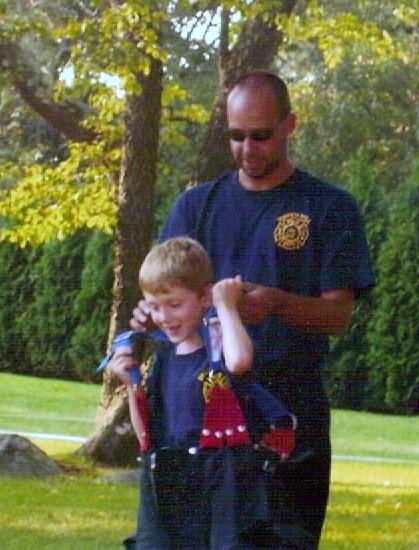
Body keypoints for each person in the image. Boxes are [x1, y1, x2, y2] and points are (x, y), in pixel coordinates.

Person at [129, 70, 375, 546]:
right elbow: (165, 295)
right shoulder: (195, 206)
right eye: (236, 136)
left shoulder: (328, 207)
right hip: (195, 425)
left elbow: (339, 315)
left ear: (290, 125)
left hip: (285, 417)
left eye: (260, 136)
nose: (246, 149)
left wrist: (277, 305)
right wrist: (150, 316)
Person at [110, 236, 308, 549]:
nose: (163, 317)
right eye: (155, 307)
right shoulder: (159, 361)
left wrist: (224, 304)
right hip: (171, 480)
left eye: (174, 305)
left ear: (204, 297)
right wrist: (131, 384)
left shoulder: (219, 352)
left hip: (221, 483)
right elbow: (146, 433)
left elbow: (240, 361)